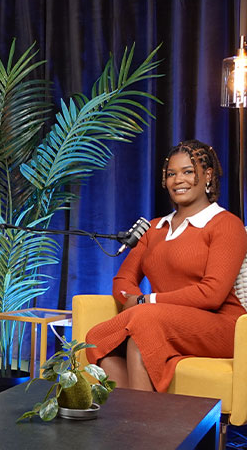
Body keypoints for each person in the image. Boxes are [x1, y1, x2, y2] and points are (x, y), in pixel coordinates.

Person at [86, 139, 247, 392]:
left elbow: (213, 294)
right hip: (162, 321)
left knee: (144, 321)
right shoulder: (154, 228)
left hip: (223, 327)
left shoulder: (226, 224)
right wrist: (139, 303)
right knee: (98, 338)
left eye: (188, 171)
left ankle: (144, 428)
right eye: (171, 174)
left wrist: (146, 301)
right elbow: (122, 281)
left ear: (207, 175)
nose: (178, 180)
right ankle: (136, 420)